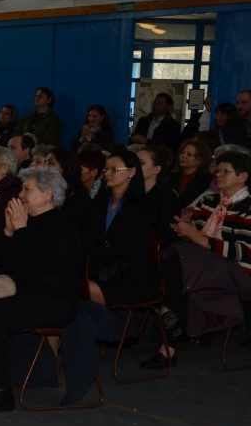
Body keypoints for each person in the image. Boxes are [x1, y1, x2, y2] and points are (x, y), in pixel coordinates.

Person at [0, 167, 81, 413]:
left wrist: (20, 230)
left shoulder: (63, 227)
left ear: (48, 194)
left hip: (55, 301)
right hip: (27, 294)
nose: (20, 195)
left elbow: (38, 271)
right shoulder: (26, 224)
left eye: (26, 189)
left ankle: (0, 389)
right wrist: (8, 232)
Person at [148, 151, 251, 369]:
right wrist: (185, 231)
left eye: (225, 171)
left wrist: (199, 239)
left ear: (243, 177)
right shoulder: (209, 201)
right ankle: (168, 342)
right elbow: (196, 236)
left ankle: (168, 323)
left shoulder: (248, 207)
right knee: (166, 258)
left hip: (238, 271)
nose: (218, 175)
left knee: (172, 261)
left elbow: (245, 252)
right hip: (201, 264)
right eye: (217, 170)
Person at [83, 150, 156, 309]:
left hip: (129, 276)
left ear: (132, 172)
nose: (107, 174)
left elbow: (132, 250)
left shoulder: (142, 208)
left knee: (79, 288)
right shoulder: (99, 203)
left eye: (114, 169)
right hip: (100, 270)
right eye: (105, 169)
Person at [136, 144, 180, 243]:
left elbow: (166, 233)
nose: (135, 166)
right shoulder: (129, 190)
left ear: (156, 169)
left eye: (141, 163)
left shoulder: (167, 197)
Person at [168, 138, 213, 207]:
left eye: (189, 154)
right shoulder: (171, 179)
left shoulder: (207, 181)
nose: (183, 156)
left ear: (200, 160)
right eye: (182, 153)